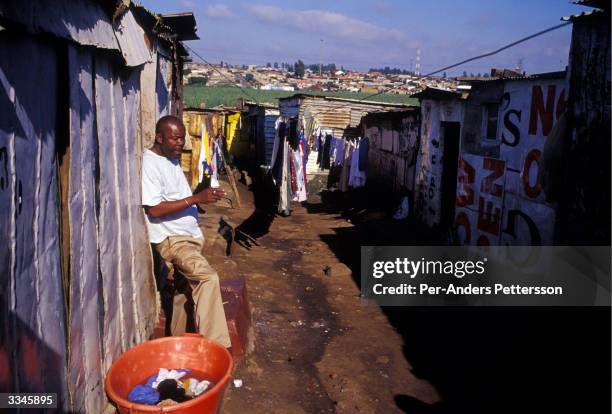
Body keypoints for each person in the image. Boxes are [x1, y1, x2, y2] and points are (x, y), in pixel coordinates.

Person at [141, 115, 231, 348]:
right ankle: (216, 348)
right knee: (208, 279)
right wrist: (196, 198)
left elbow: (177, 198)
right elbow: (155, 209)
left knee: (183, 293)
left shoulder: (170, 159)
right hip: (174, 240)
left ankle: (177, 347)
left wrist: (201, 194)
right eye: (176, 138)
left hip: (188, 238)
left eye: (183, 138)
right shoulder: (150, 164)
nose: (181, 143)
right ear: (159, 138)